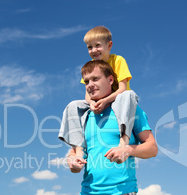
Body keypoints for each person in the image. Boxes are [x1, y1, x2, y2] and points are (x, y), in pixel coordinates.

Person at [60, 60, 158, 195]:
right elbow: (73, 154)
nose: (90, 84)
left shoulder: (129, 109)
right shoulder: (84, 116)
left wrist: (128, 149)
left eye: (95, 78)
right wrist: (72, 162)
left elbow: (152, 148)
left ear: (110, 80)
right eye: (86, 81)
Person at [59, 26, 138, 157]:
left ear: (109, 45)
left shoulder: (118, 60)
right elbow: (87, 94)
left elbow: (122, 88)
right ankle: (79, 148)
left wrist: (105, 100)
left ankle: (124, 140)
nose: (93, 50)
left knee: (129, 95)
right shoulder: (90, 66)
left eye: (97, 45)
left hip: (118, 101)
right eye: (89, 47)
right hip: (98, 102)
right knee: (73, 105)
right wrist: (91, 104)